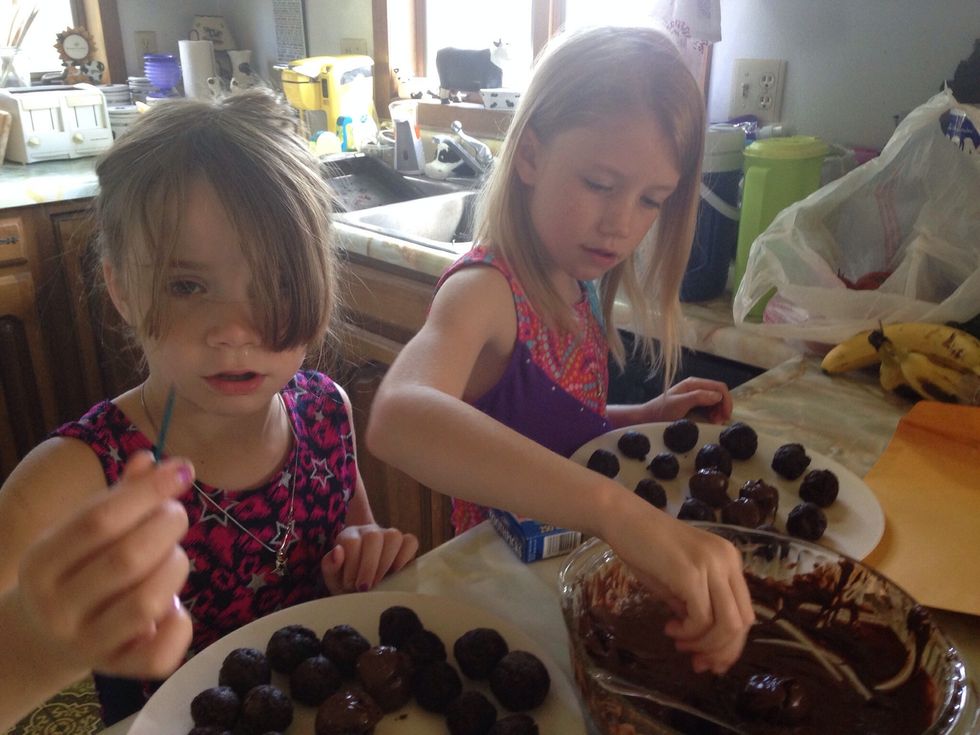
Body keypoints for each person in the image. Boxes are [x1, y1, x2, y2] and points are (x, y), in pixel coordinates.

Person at [0, 88, 418, 726]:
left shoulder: (325, 411)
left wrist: (360, 552)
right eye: (187, 285)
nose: (235, 330)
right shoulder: (69, 482)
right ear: (120, 287)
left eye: (277, 281)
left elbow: (351, 537)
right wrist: (31, 649)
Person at [366, 24, 753, 675]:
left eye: (650, 200)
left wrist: (637, 416)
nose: (621, 222)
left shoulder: (579, 283)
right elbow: (398, 416)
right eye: (601, 184)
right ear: (531, 156)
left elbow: (548, 421)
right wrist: (619, 514)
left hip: (562, 581)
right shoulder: (486, 291)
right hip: (491, 596)